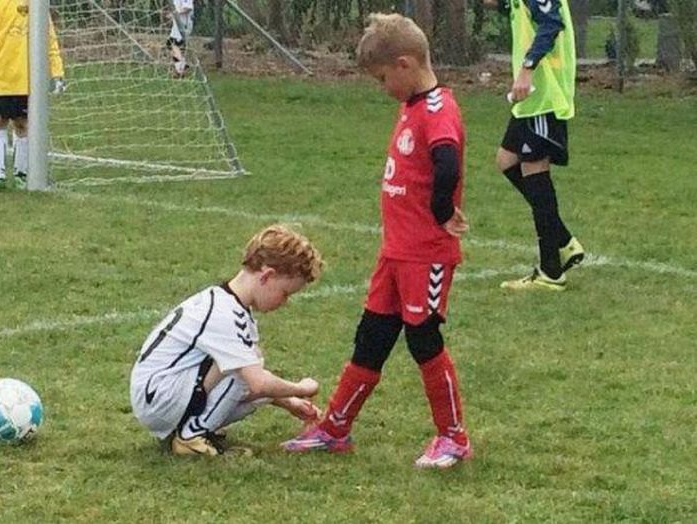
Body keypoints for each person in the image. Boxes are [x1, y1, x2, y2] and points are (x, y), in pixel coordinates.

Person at [282, 13, 472, 469]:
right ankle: (335, 427)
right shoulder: (412, 106)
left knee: (423, 339)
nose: (383, 87)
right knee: (371, 337)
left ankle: (453, 437)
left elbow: (447, 162)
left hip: (424, 255)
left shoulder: (437, 109)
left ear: (405, 65)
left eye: (383, 78)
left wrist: (442, 212)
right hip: (394, 254)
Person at [130, 224, 324, 456]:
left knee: (250, 368)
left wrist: (290, 403)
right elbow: (257, 383)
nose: (285, 302)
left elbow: (258, 385)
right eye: (285, 293)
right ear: (267, 276)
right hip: (159, 398)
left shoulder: (229, 304)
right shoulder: (224, 313)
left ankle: (192, 429)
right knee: (246, 370)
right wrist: (301, 388)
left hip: (159, 395)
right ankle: (190, 437)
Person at [484, 0, 584, 290]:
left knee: (534, 170)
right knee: (506, 160)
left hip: (544, 94)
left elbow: (551, 23)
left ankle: (551, 271)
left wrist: (528, 68)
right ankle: (562, 240)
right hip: (531, 100)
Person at [0, 1, 65, 189]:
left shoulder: (36, 5)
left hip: (27, 80)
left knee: (24, 124)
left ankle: (23, 173)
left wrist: (57, 72)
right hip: (0, 76)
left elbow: (49, 39)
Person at [166, 0, 194, 77]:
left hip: (183, 24)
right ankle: (181, 67)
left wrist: (175, 13)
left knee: (173, 44)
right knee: (172, 44)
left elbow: (187, 8)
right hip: (177, 24)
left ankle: (181, 68)